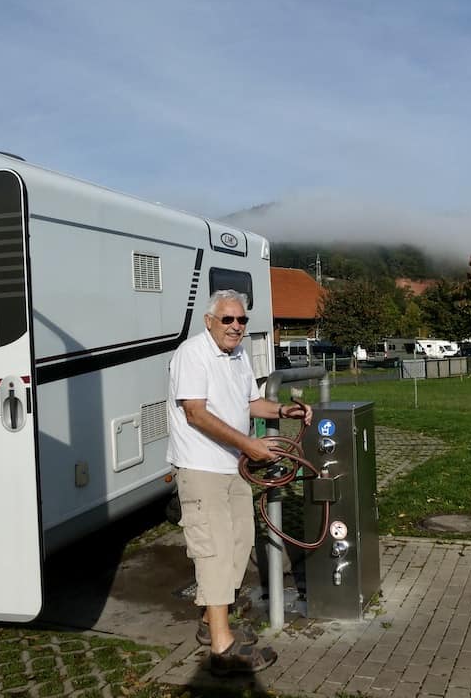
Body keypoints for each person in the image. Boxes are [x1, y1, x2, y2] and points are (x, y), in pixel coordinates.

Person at [167, 289, 312, 675]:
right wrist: (250, 444)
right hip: (201, 468)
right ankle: (222, 648)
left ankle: (209, 622)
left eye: (242, 320)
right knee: (213, 552)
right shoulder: (192, 354)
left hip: (232, 466)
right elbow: (195, 414)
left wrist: (285, 410)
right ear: (209, 321)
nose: (236, 326)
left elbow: (250, 403)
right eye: (227, 319)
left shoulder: (238, 355)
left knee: (238, 543)